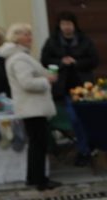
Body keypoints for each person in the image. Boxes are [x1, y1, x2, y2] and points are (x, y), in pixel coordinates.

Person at [0, 24, 60, 191]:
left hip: (32, 107)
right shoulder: (19, 59)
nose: (30, 38)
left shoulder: (21, 56)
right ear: (17, 37)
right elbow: (26, 83)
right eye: (26, 35)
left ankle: (35, 177)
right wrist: (46, 81)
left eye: (30, 35)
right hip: (32, 107)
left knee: (37, 143)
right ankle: (39, 180)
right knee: (38, 143)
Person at [41, 11, 98, 166]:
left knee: (85, 119)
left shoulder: (84, 40)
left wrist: (77, 62)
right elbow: (45, 60)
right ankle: (84, 150)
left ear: (74, 25)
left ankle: (87, 149)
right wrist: (61, 62)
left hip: (83, 87)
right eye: (63, 24)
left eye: (69, 24)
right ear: (59, 26)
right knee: (74, 119)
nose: (67, 27)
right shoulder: (52, 42)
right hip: (62, 89)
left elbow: (94, 60)